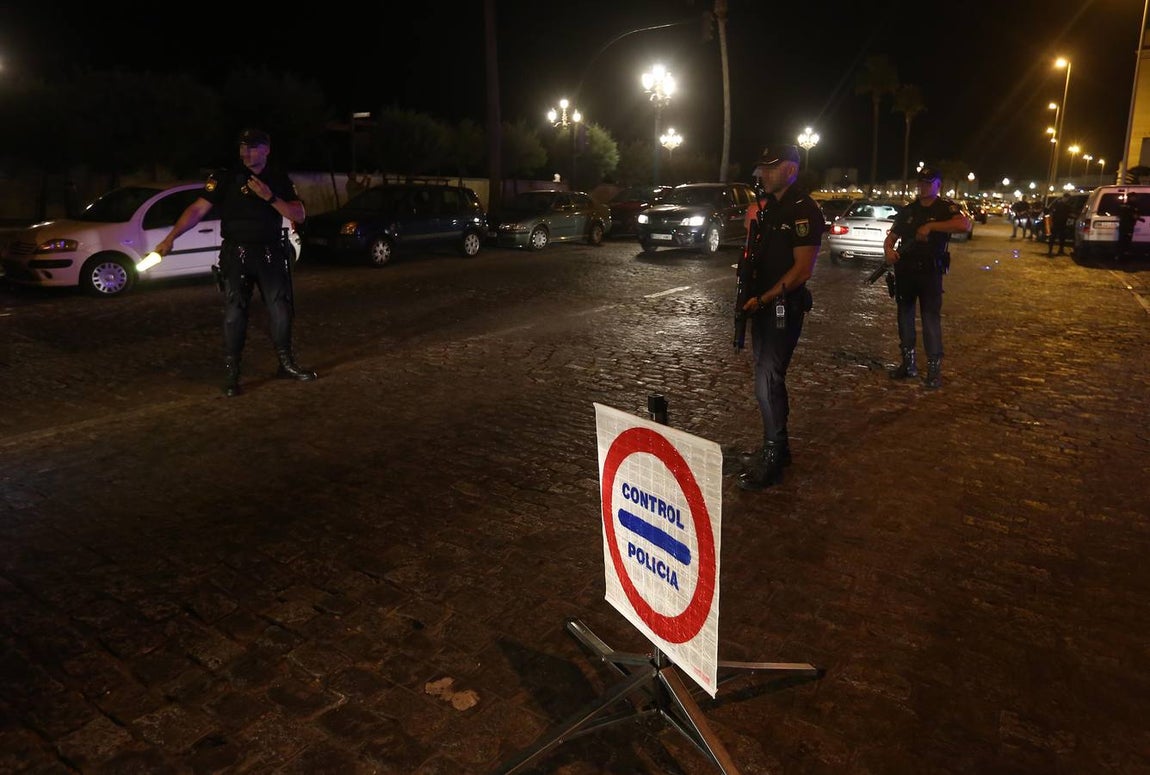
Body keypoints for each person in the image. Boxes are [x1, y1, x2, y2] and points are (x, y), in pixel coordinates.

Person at [152, 128, 316, 397]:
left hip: (270, 253)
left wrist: (270, 197)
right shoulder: (226, 177)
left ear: (266, 150)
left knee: (280, 309)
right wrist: (171, 237)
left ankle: (285, 364)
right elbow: (197, 209)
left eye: (252, 147)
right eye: (242, 147)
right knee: (234, 313)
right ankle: (232, 372)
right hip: (236, 254)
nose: (245, 153)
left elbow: (299, 213)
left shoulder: (277, 178)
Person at [735, 145, 825, 491]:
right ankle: (777, 446)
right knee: (766, 376)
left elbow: (802, 270)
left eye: (769, 168)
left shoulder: (804, 210)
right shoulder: (768, 208)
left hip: (781, 306)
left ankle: (774, 452)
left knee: (768, 378)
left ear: (790, 170)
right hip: (760, 305)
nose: (761, 174)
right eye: (760, 167)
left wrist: (765, 298)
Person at [881, 165, 971, 390]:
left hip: (930, 272)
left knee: (930, 319)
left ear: (938, 185)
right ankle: (908, 363)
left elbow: (964, 224)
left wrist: (931, 226)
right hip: (906, 271)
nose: (922, 187)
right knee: (905, 317)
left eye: (928, 183)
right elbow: (892, 237)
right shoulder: (909, 210)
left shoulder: (945, 208)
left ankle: (933, 368)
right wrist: (888, 251)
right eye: (920, 183)